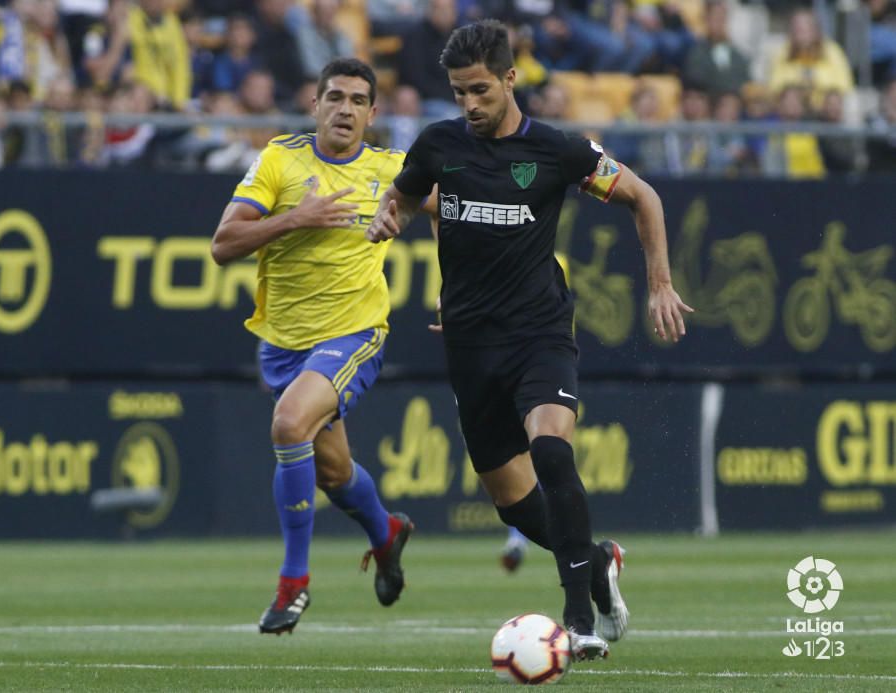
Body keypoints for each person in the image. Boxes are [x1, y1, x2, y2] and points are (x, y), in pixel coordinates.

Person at [367, 19, 692, 661]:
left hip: (540, 331)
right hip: (469, 343)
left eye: (481, 90)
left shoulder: (558, 150)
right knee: (513, 505)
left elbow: (642, 196)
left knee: (550, 449)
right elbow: (404, 200)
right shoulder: (436, 145)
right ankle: (597, 563)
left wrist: (659, 282)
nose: (470, 105)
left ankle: (577, 619)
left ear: (511, 78)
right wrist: (389, 214)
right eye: (460, 92)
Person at [211, 58, 430, 635]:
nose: (345, 109)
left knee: (288, 425)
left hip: (354, 333)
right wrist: (295, 219)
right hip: (283, 344)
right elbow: (223, 244)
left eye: (358, 100)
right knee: (332, 472)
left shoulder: (391, 170)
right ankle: (386, 533)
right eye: (335, 97)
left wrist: (455, 284)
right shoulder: (281, 159)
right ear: (315, 105)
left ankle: (294, 585)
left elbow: (449, 213)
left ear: (373, 114)